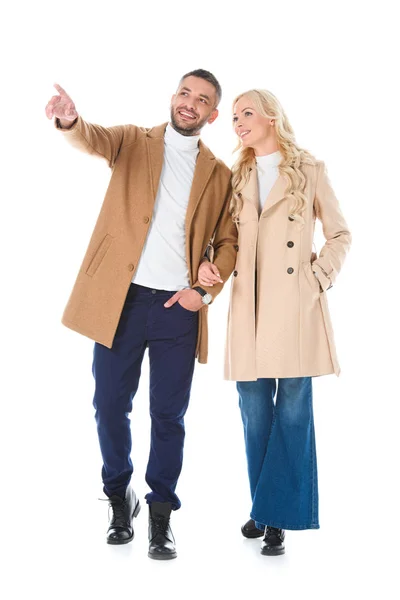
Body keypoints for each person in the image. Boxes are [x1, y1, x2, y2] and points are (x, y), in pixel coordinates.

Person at [45, 70, 237, 560]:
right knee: (109, 404)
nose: (189, 104)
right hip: (121, 300)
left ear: (212, 115)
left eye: (202, 100)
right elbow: (94, 138)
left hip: (178, 306)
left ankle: (161, 515)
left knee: (168, 416)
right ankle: (117, 496)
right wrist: (71, 120)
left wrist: (204, 290)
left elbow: (229, 240)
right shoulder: (134, 141)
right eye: (184, 93)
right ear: (173, 98)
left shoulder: (219, 173)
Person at [198, 89, 351, 556]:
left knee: (292, 409)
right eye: (235, 116)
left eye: (247, 112)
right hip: (248, 305)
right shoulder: (235, 176)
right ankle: (266, 507)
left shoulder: (309, 169)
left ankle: (275, 519)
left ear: (270, 117)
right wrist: (209, 263)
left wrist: (316, 277)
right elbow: (222, 238)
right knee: (254, 409)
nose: (238, 121)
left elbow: (341, 234)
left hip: (294, 306)